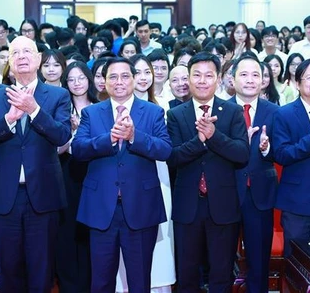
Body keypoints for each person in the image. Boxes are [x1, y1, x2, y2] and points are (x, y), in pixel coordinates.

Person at [0, 35, 71, 292]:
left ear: (39, 59)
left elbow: (62, 135)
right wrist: (8, 119)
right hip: (3, 197)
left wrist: (34, 110)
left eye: (27, 51)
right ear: (9, 62)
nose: (21, 57)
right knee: (8, 269)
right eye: (15, 53)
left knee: (41, 269)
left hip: (43, 195)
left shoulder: (57, 95)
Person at [72, 56, 172, 292]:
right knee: (101, 280)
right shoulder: (92, 113)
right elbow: (78, 149)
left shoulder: (153, 111)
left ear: (135, 79)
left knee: (139, 280)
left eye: (125, 76)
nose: (119, 82)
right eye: (113, 77)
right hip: (101, 208)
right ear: (104, 82)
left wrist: (134, 137)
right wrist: (109, 139)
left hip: (140, 206)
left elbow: (165, 149)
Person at [166, 52, 249, 292]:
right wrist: (200, 140)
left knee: (221, 273)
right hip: (187, 206)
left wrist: (214, 136)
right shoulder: (175, 114)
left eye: (208, 75)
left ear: (219, 79)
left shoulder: (232, 112)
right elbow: (173, 157)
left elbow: (242, 153)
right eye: (197, 75)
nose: (202, 81)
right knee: (187, 273)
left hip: (223, 206)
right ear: (188, 79)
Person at [272, 57, 310, 257]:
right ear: (297, 83)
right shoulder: (284, 114)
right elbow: (281, 154)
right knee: (297, 267)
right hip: (298, 207)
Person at [229, 53, 279, 293]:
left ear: (263, 81)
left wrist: (266, 148)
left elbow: (282, 151)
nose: (250, 80)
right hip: (225, 193)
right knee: (222, 262)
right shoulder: (221, 109)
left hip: (260, 195)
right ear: (232, 79)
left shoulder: (275, 111)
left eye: (255, 75)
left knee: (259, 263)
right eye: (244, 74)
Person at [56, 61, 97, 293]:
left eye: (81, 77)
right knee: (67, 232)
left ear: (89, 79)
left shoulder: (101, 107)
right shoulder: (60, 109)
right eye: (71, 79)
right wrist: (72, 135)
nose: (77, 83)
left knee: (91, 232)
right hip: (65, 173)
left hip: (93, 174)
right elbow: (54, 148)